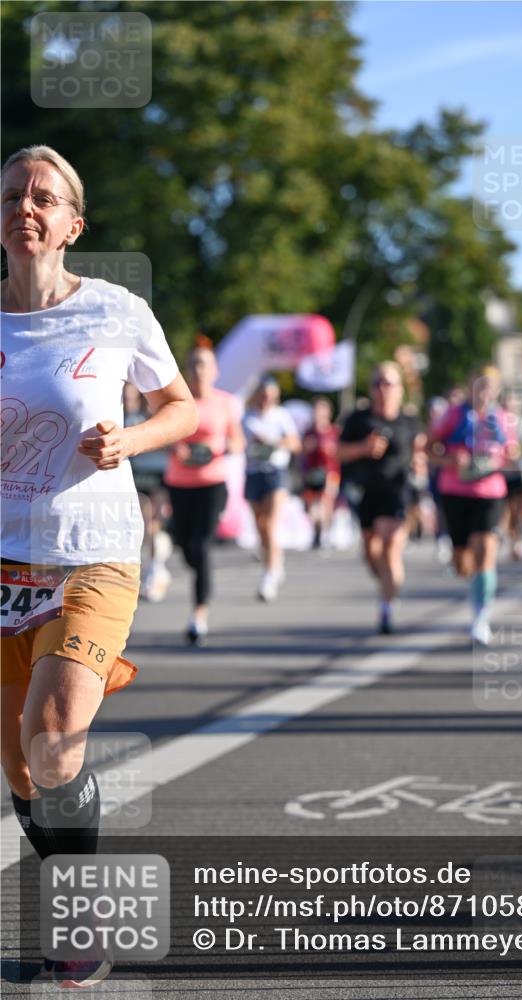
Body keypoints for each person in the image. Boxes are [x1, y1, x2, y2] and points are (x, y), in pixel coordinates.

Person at [0, 146, 197, 987]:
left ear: (73, 224)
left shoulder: (117, 312)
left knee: (54, 743)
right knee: (23, 768)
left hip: (93, 556)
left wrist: (129, 441)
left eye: (45, 197)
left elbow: (182, 409)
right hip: (4, 565)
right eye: (13, 194)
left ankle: (84, 915)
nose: (26, 206)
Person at [429, 365, 517, 645]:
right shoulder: (453, 415)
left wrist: (510, 457)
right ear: (470, 385)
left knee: (486, 549)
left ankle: (481, 618)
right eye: (480, 384)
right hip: (455, 491)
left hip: (490, 492)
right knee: (463, 563)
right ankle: (475, 590)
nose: (484, 391)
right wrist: (449, 461)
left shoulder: (503, 419)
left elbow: (512, 454)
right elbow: (428, 447)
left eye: (490, 386)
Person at [164, 337, 244, 643]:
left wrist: (220, 448)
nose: (199, 370)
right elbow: (163, 433)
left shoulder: (225, 403)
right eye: (194, 364)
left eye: (205, 364)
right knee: (184, 545)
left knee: (201, 545)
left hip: (212, 483)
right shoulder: (178, 402)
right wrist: (176, 447)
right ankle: (203, 578)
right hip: (180, 483)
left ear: (215, 370)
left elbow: (238, 441)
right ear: (186, 370)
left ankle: (199, 614)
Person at [338, 362, 421, 634]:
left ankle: (386, 609)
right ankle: (387, 585)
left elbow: (421, 451)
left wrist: (421, 462)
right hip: (366, 492)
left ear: (400, 389)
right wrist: (363, 448)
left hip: (397, 492)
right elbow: (337, 452)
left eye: (389, 383)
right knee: (371, 552)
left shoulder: (409, 421)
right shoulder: (358, 419)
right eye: (378, 383)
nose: (384, 389)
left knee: (391, 544)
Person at [242, 376, 301, 601]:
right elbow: (239, 442)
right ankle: (273, 559)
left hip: (275, 472)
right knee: (260, 526)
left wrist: (274, 441)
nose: (266, 399)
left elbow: (296, 443)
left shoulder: (281, 416)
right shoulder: (247, 416)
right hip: (253, 472)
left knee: (271, 523)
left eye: (270, 395)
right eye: (263, 395)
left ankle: (270, 574)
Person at [123, 383, 173, 602]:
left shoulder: (157, 418)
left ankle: (156, 569)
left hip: (159, 474)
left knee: (154, 523)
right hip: (138, 474)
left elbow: (169, 442)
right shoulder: (128, 419)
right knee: (145, 523)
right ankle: (153, 569)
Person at [300, 397, 340, 549]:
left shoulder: (334, 432)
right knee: (312, 507)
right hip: (311, 473)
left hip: (329, 473)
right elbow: (301, 452)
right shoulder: (308, 432)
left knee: (326, 503)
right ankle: (316, 533)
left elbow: (339, 452)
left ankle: (326, 534)